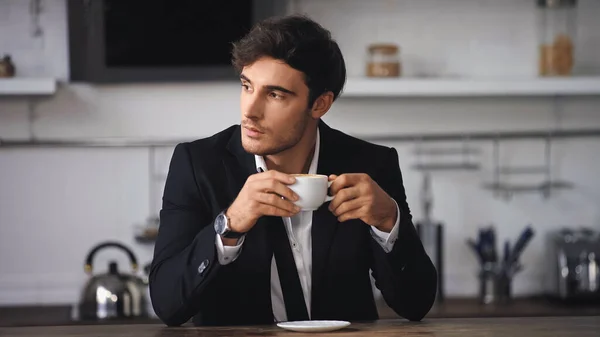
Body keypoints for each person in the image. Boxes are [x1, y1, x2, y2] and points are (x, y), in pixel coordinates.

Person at [149, 14, 437, 327]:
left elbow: (416, 304)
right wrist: (229, 224)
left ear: (320, 104)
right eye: (247, 87)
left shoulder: (370, 165)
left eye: (274, 95)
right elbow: (167, 305)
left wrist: (388, 220)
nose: (250, 110)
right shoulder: (197, 164)